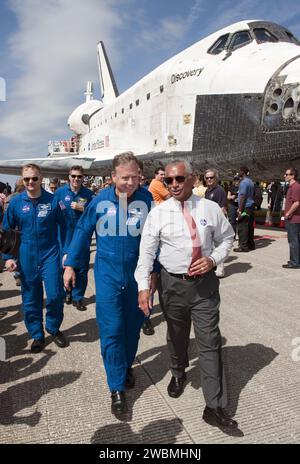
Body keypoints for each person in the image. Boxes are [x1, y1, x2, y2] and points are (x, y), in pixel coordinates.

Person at [135, 159, 237, 430]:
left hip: (204, 287)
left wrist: (213, 259)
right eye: (168, 180)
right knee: (177, 336)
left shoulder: (210, 208)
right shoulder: (158, 213)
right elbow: (146, 252)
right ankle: (178, 373)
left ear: (192, 178)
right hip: (173, 286)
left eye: (179, 179)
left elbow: (228, 237)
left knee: (210, 342)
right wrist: (143, 286)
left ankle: (214, 406)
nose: (174, 185)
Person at [63, 152, 154, 414]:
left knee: (132, 328)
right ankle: (116, 388)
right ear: (113, 177)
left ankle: (125, 367)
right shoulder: (100, 201)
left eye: (135, 177)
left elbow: (154, 240)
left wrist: (154, 275)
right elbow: (82, 231)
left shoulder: (146, 199)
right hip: (108, 276)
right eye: (125, 177)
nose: (130, 182)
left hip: (137, 277)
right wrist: (70, 265)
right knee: (113, 330)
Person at [2, 163, 71, 353]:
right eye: (27, 179)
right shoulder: (16, 203)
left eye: (34, 178)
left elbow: (64, 228)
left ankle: (53, 328)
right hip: (26, 256)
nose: (31, 182)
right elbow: (6, 231)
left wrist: (66, 253)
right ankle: (37, 335)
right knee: (31, 298)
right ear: (23, 181)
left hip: (50, 254)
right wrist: (7, 257)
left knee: (56, 295)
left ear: (41, 178)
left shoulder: (54, 201)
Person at [55, 166, 94, 310]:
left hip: (82, 235)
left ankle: (78, 297)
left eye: (79, 176)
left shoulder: (88, 194)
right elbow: (55, 210)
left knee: (82, 268)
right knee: (64, 266)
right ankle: (68, 292)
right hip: (64, 235)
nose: (76, 179)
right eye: (73, 176)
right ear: (69, 177)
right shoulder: (60, 193)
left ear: (83, 178)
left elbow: (94, 213)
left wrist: (81, 208)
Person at [204, 168, 227, 278]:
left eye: (211, 177)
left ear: (216, 178)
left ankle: (221, 269)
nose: (209, 179)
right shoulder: (207, 191)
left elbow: (222, 208)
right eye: (207, 178)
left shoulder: (219, 191)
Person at [234, 166, 255, 252]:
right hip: (250, 207)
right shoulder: (251, 182)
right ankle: (250, 244)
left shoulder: (243, 183)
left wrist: (240, 209)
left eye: (239, 171)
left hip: (245, 207)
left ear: (242, 172)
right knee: (249, 226)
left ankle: (243, 246)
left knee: (242, 226)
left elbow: (243, 196)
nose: (238, 173)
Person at [282, 167, 300, 268]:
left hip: (294, 219)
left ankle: (295, 262)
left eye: (286, 174)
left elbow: (297, 202)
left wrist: (288, 213)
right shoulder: (290, 187)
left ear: (292, 176)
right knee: (293, 240)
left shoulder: (296, 187)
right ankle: (295, 260)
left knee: (294, 241)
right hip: (291, 219)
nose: (284, 176)